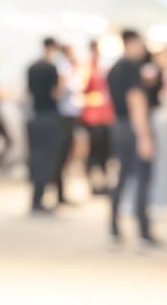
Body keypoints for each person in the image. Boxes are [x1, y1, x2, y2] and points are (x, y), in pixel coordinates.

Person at [108, 29, 158, 248]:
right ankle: (143, 233)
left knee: (122, 177)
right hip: (132, 126)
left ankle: (114, 229)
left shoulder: (114, 68)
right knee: (141, 179)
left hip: (118, 126)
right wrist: (144, 136)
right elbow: (135, 100)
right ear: (132, 42)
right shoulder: (131, 68)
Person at [26, 38, 61, 214]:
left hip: (35, 116)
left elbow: (29, 92)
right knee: (47, 159)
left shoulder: (31, 67)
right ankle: (39, 199)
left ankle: (35, 198)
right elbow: (56, 93)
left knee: (36, 157)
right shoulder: (51, 68)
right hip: (49, 116)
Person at [80, 40, 114, 196]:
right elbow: (83, 90)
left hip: (104, 116)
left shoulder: (102, 67)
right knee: (94, 152)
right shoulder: (87, 68)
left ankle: (103, 181)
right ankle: (94, 182)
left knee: (104, 151)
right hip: (92, 116)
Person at [52, 44, 80, 205]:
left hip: (68, 115)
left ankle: (61, 192)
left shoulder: (67, 66)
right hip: (64, 116)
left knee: (65, 154)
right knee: (62, 154)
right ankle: (59, 193)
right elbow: (60, 90)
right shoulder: (63, 66)